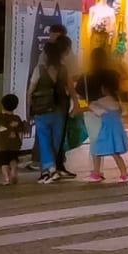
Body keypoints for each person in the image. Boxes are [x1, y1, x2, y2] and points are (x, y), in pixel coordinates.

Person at [26, 37, 74, 183]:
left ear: (45, 54)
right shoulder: (63, 69)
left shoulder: (39, 70)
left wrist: (29, 110)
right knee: (55, 142)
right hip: (59, 109)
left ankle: (50, 170)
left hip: (42, 110)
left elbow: (30, 92)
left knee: (44, 140)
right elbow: (69, 88)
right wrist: (75, 105)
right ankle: (47, 172)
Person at [83, 46, 128, 182]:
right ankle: (124, 173)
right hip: (116, 132)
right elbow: (123, 111)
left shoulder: (100, 101)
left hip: (104, 131)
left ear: (103, 89)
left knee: (96, 149)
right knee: (116, 154)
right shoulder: (116, 102)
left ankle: (96, 173)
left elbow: (92, 107)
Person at [0, 94, 27, 185]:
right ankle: (14, 171)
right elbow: (20, 133)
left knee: (4, 162)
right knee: (13, 159)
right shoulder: (17, 118)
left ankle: (7, 178)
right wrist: (20, 142)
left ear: (2, 105)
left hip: (1, 145)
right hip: (14, 144)